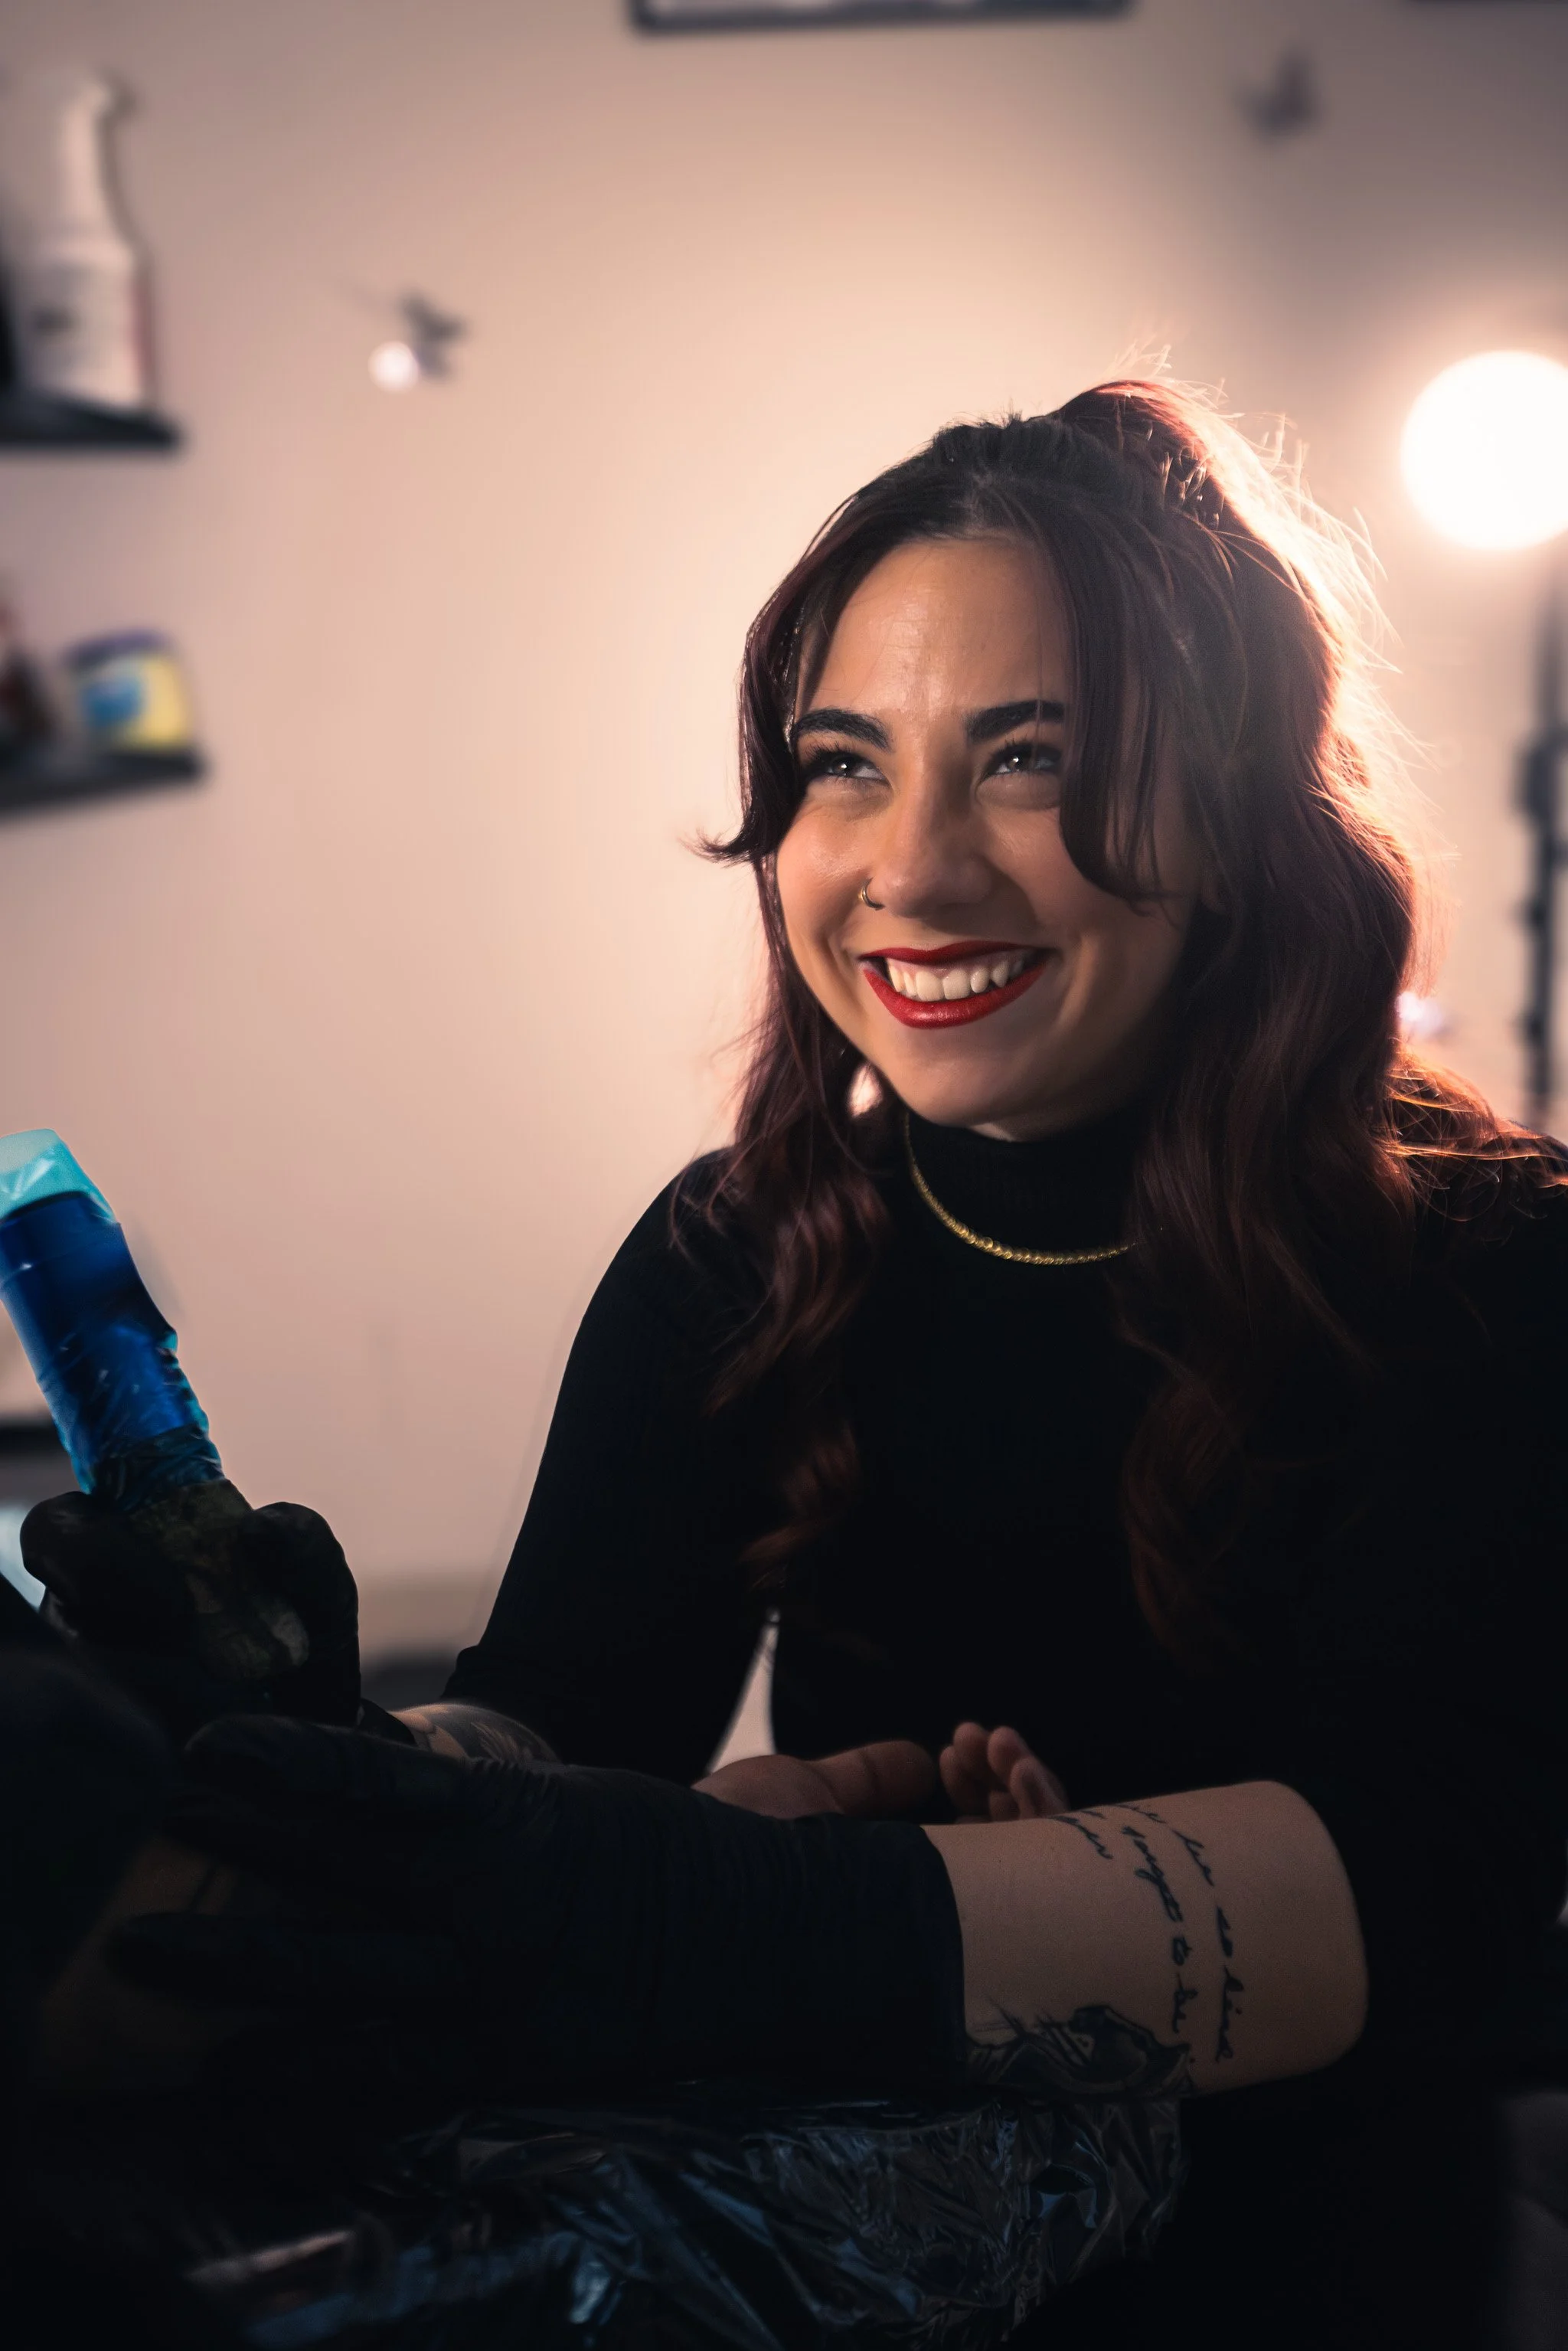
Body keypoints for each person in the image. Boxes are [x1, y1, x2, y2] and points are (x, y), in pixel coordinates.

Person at [24, 380, 1568, 2349]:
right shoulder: (742, 1244)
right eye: (846, 762)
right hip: (880, 2263)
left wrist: (722, 1922)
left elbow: (1415, 1891)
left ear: (1239, 814)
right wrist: (316, 1749)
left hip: (1319, 2262)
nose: (910, 871)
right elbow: (558, 1734)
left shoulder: (1492, 1263)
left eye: (1027, 760)